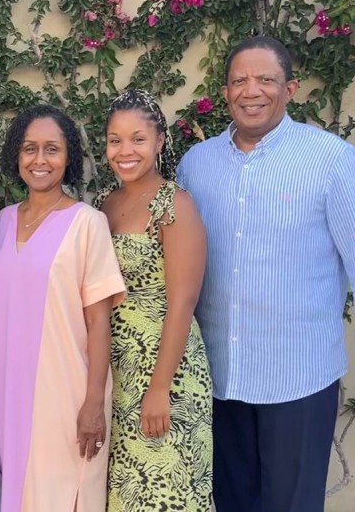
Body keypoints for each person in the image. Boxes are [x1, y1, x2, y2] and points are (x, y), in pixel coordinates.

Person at [177, 36, 355, 512]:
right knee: (231, 502)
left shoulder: (331, 161)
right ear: (226, 89)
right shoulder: (197, 165)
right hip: (220, 377)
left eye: (266, 79)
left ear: (290, 88)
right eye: (239, 80)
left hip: (296, 376)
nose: (250, 90)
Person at [0, 105, 126, 512]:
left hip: (65, 394)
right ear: (17, 155)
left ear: (68, 159)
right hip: (7, 391)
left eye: (52, 149)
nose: (40, 160)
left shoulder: (88, 224)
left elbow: (100, 321)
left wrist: (93, 404)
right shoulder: (2, 222)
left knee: (63, 494)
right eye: (30, 148)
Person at [94, 89, 212, 510]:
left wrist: (159, 388)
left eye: (137, 139)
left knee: (168, 492)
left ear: (160, 141)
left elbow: (183, 301)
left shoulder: (174, 205)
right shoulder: (103, 204)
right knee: (128, 494)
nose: (125, 151)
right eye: (115, 140)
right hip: (118, 371)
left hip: (167, 372)